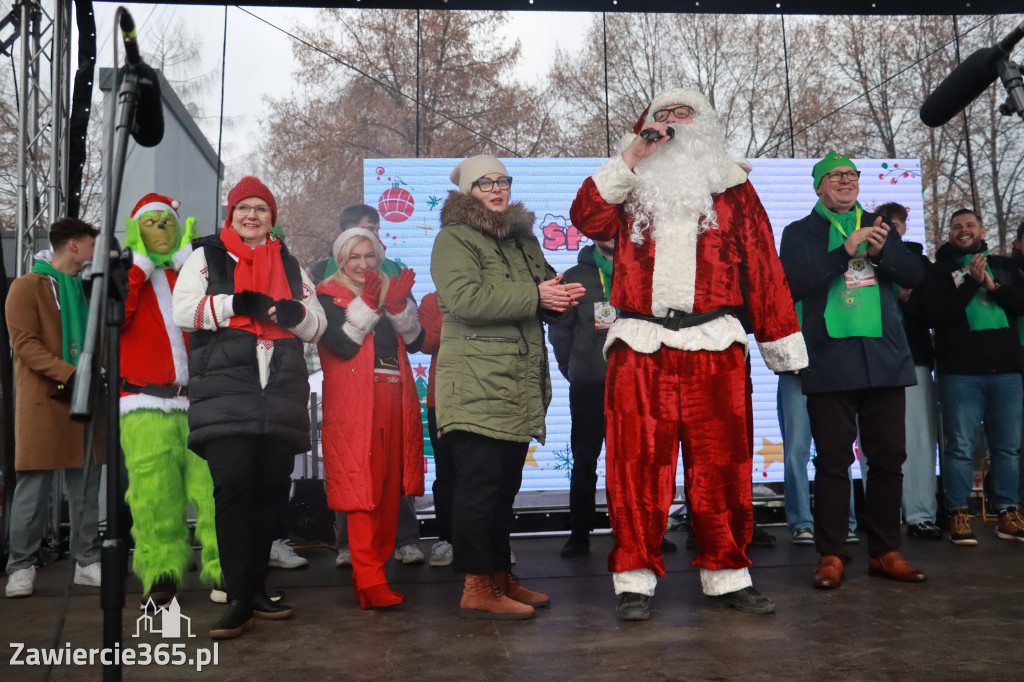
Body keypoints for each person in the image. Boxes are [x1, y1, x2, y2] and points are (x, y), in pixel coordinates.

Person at [570, 90, 807, 620]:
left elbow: (763, 265)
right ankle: (634, 579)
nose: (673, 122)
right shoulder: (628, 181)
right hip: (640, 344)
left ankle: (728, 574)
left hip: (713, 344)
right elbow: (586, 218)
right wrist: (633, 156)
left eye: (684, 114)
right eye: (663, 115)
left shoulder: (733, 186)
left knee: (722, 467)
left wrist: (780, 342)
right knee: (635, 469)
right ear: (646, 125)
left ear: (704, 124)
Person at [172, 176, 326, 639]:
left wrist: (293, 314)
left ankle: (257, 589)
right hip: (226, 397)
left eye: (261, 208)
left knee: (270, 495)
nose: (252, 215)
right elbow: (184, 312)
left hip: (278, 397)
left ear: (271, 217)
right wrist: (236, 303)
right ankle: (238, 596)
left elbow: (317, 326)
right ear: (231, 214)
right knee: (235, 492)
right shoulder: (206, 257)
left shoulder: (292, 265)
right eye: (244, 208)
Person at [432, 154, 583, 619]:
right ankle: (476, 586)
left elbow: (541, 290)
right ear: (468, 190)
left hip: (516, 384)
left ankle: (499, 577)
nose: (496, 188)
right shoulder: (454, 237)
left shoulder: (523, 238)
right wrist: (536, 295)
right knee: (478, 490)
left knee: (502, 490)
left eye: (502, 180)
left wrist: (557, 298)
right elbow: (464, 299)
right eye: (485, 182)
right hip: (474, 384)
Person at [780, 152, 926, 591]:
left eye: (851, 174)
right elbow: (793, 284)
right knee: (832, 462)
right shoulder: (799, 232)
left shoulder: (880, 226)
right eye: (835, 175)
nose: (846, 180)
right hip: (829, 359)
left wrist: (883, 254)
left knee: (888, 459)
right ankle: (830, 555)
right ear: (819, 186)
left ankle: (885, 551)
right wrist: (843, 252)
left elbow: (915, 274)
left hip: (884, 358)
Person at [119, 193, 223, 608]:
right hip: (145, 405)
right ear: (135, 229)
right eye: (151, 222)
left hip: (201, 401)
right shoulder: (123, 273)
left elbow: (216, 316)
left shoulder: (193, 273)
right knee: (154, 494)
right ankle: (161, 573)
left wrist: (188, 267)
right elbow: (115, 316)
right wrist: (138, 267)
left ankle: (225, 569)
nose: (161, 228)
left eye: (167, 221)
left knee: (216, 490)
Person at [317, 228, 426, 608]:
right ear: (340, 261)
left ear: (379, 257)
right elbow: (341, 345)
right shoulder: (327, 294)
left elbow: (417, 341)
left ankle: (372, 579)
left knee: (390, 490)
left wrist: (397, 308)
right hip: (357, 403)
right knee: (363, 492)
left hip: (397, 398)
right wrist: (366, 304)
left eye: (369, 255)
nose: (363, 264)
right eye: (354, 257)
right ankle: (370, 578)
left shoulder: (389, 289)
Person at [5, 218, 102, 598]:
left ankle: (87, 561)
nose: (95, 252)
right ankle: (21, 566)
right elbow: (25, 344)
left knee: (86, 486)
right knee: (33, 488)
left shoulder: (90, 289)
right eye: (91, 244)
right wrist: (72, 373)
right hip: (45, 400)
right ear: (73, 245)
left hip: (87, 398)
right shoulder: (27, 286)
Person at [915, 208, 1024, 545]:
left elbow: (1020, 304)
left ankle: (1008, 511)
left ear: (982, 230)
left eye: (970, 225)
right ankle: (958, 512)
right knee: (960, 447)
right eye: (957, 226)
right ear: (949, 233)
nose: (963, 230)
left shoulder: (1005, 266)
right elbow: (934, 314)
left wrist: (992, 286)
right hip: (960, 373)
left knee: (1008, 448)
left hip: (1007, 371)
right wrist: (969, 283)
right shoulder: (938, 271)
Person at [872, 201, 942, 540]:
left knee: (918, 441)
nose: (890, 229)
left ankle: (921, 515)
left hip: (913, 358)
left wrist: (908, 299)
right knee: (874, 444)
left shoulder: (919, 264)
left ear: (904, 227)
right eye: (884, 224)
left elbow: (935, 314)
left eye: (896, 224)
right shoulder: (860, 258)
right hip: (871, 361)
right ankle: (880, 517)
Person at [548, 239, 615, 559]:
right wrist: (572, 369)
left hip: (633, 387)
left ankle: (638, 531)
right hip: (589, 384)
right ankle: (579, 533)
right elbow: (560, 334)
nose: (610, 235)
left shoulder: (641, 269)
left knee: (633, 463)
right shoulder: (575, 277)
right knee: (585, 460)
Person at [419, 290, 455, 567]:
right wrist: (452, 314)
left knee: (485, 473)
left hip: (483, 396)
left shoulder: (489, 295)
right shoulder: (432, 300)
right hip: (441, 398)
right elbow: (426, 343)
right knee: (446, 473)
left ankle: (491, 541)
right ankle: (447, 540)